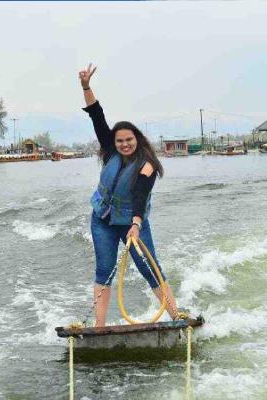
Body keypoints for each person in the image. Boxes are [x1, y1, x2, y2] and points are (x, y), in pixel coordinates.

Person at [79, 63, 179, 327]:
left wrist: (135, 224)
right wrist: (86, 87)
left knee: (149, 268)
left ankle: (177, 318)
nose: (124, 144)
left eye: (129, 140)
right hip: (102, 220)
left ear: (138, 140)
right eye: (120, 140)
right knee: (103, 270)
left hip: (133, 222)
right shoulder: (110, 151)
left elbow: (140, 195)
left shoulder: (147, 165)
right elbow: (96, 116)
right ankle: (98, 329)